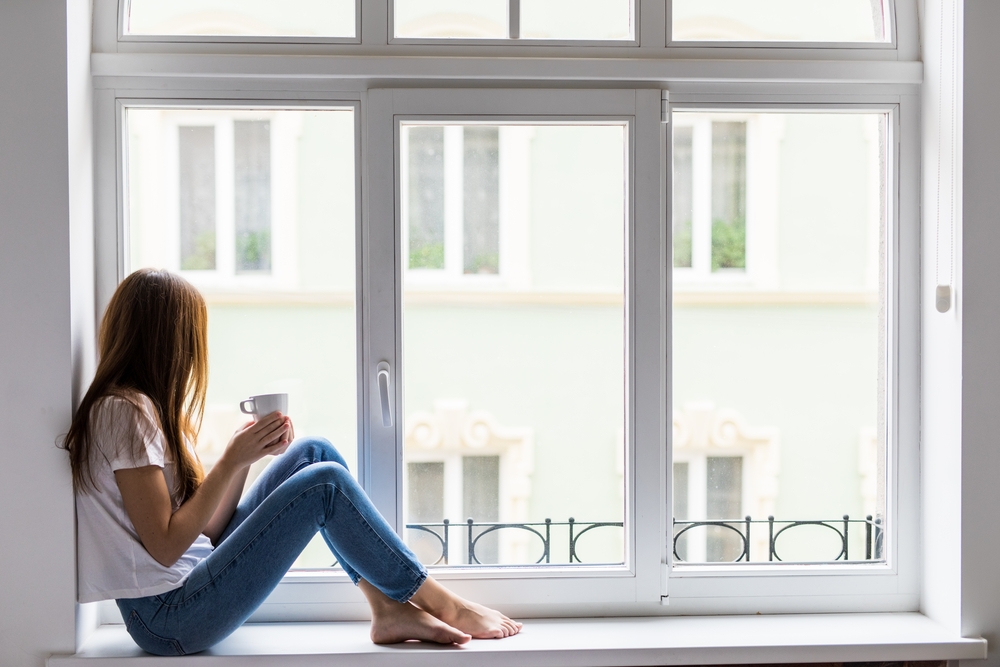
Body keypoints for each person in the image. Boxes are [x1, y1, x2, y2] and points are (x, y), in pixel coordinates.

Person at [63, 268, 521, 656]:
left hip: (188, 590)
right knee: (323, 485)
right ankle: (440, 602)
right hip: (169, 618)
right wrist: (228, 461)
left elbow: (207, 532)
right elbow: (165, 546)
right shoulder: (123, 411)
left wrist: (245, 459)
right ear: (168, 343)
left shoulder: (140, 408)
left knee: (313, 453)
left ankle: (386, 608)